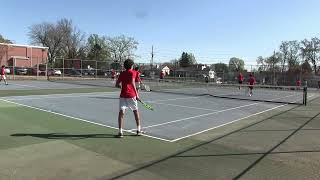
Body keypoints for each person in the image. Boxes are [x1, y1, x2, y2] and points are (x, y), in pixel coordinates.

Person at [115, 59, 142, 138]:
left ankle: (120, 132)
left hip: (123, 96)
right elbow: (133, 84)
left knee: (121, 113)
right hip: (131, 96)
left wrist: (122, 88)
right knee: (136, 112)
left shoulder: (122, 73)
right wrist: (137, 95)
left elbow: (117, 85)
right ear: (131, 66)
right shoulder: (134, 72)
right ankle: (138, 130)